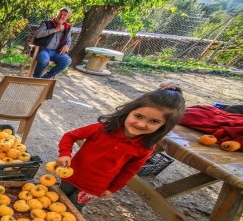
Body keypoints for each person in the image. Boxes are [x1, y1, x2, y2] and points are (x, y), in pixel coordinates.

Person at [55, 81, 186, 211]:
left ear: (164, 126)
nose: (141, 124)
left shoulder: (145, 147)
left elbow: (129, 171)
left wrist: (113, 188)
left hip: (94, 187)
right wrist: (65, 153)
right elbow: (70, 136)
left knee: (73, 209)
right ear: (128, 112)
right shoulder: (102, 129)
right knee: (57, 199)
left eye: (154, 121)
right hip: (70, 175)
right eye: (138, 116)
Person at [32, 7, 72, 79]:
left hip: (57, 52)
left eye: (65, 15)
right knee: (44, 60)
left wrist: (67, 45)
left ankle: (45, 78)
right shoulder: (47, 23)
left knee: (67, 60)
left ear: (67, 17)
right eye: (60, 14)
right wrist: (55, 30)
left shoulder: (67, 27)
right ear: (57, 14)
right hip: (43, 50)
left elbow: (68, 40)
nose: (62, 16)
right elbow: (38, 34)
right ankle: (36, 78)